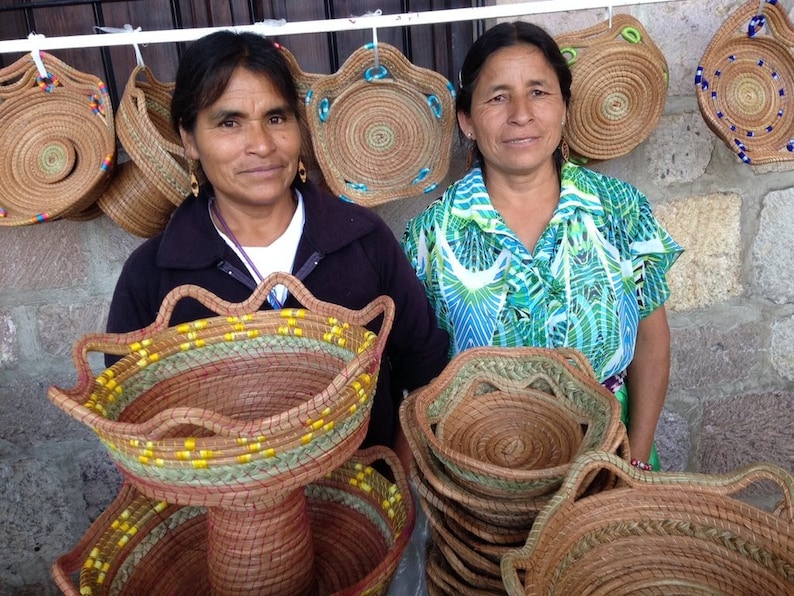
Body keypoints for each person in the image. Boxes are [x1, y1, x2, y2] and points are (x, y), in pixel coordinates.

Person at [106, 30, 449, 460]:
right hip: (226, 522)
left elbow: (426, 373)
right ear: (190, 139)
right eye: (229, 122)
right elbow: (132, 425)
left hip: (364, 511)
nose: (263, 146)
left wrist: (395, 485)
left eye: (276, 118)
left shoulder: (362, 239)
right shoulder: (154, 275)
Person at [401, 21, 682, 471]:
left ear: (565, 107)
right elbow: (419, 378)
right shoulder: (430, 237)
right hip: (485, 471)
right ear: (467, 121)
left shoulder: (620, 210)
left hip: (609, 459)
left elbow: (651, 340)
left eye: (539, 92)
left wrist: (637, 457)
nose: (520, 113)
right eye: (497, 97)